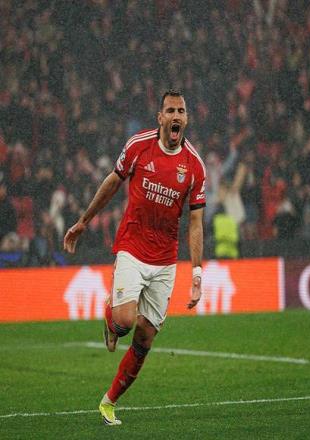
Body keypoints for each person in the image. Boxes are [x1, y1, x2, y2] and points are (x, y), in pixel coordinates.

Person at [63, 90, 206, 426]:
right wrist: (84, 221)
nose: (175, 116)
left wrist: (197, 274)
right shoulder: (138, 145)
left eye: (181, 111)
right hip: (132, 247)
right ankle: (110, 315)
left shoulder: (194, 166)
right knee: (125, 322)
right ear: (160, 117)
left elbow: (196, 222)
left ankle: (109, 402)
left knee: (145, 338)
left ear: (186, 119)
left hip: (165, 260)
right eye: (170, 110)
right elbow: (112, 183)